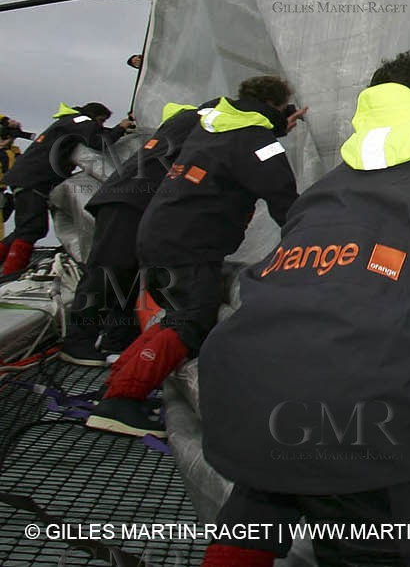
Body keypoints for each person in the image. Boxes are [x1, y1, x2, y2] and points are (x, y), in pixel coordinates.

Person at [195, 50, 410, 567]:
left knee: (266, 492)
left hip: (237, 382)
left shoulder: (324, 190)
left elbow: (325, 285)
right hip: (358, 416)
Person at [85, 77, 302, 437]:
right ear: (274, 105)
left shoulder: (209, 127)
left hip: (156, 236)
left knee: (176, 317)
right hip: (189, 245)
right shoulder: (258, 141)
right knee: (192, 321)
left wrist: (274, 123)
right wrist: (309, 244)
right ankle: (121, 401)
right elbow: (283, 196)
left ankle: (118, 386)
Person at [59, 100, 211, 366]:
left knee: (128, 274)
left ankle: (117, 339)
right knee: (106, 271)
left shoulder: (177, 127)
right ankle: (77, 341)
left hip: (135, 204)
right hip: (127, 203)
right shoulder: (195, 124)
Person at [0, 103, 135, 279]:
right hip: (33, 181)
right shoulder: (81, 120)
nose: (100, 126)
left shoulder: (69, 122)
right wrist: (121, 127)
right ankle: (10, 275)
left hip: (27, 180)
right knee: (31, 229)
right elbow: (98, 142)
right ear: (94, 116)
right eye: (101, 121)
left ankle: (8, 269)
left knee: (26, 229)